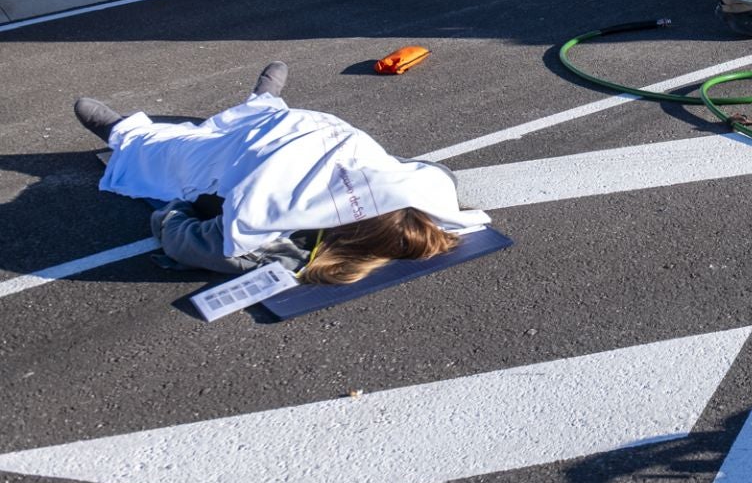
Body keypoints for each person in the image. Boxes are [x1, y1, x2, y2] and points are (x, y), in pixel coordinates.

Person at [73, 62, 487, 283]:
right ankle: (263, 101)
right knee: (263, 119)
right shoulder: (425, 193)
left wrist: (180, 206)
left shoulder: (274, 223)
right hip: (313, 132)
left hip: (259, 152)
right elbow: (437, 174)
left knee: (175, 154)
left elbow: (183, 241)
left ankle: (122, 131)